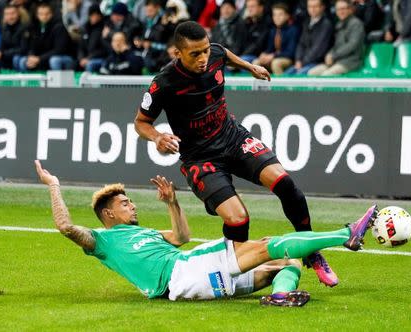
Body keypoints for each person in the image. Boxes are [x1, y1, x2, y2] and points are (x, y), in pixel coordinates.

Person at [133, 20, 340, 288]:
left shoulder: (215, 53)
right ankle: (235, 276)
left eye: (205, 50)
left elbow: (225, 54)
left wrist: (249, 67)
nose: (203, 58)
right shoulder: (163, 83)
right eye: (195, 54)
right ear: (178, 54)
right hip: (200, 157)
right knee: (238, 218)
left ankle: (312, 252)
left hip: (232, 137)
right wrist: (158, 137)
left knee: (285, 184)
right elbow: (141, 122)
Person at [34, 159, 377, 305]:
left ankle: (279, 297)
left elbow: (181, 237)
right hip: (183, 271)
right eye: (125, 203)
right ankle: (345, 234)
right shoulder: (103, 241)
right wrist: (54, 185)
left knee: (286, 266)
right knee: (268, 245)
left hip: (192, 282)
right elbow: (65, 226)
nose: (132, 206)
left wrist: (172, 204)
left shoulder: (147, 234)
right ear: (108, 213)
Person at [308, 0, 365, 76]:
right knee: (311, 73)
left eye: (343, 9)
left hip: (351, 62)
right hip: (337, 61)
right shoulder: (339, 24)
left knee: (326, 75)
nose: (341, 12)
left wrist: (333, 55)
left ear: (350, 9)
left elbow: (352, 45)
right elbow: (336, 45)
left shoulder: (356, 24)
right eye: (338, 9)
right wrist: (329, 54)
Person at [18, 3, 74, 71]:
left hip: (63, 57)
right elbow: (31, 46)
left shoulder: (59, 27)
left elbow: (59, 50)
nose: (44, 16)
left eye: (47, 14)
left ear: (52, 14)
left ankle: (57, 81)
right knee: (22, 61)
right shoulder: (34, 27)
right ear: (37, 15)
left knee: (54, 60)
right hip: (42, 57)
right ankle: (29, 81)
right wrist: (31, 56)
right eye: (41, 14)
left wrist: (39, 59)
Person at [285, 0, 333, 75]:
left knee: (299, 76)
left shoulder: (326, 24)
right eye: (310, 6)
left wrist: (302, 62)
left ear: (322, 7)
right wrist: (298, 60)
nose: (312, 9)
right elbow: (301, 44)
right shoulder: (307, 22)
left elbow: (318, 49)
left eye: (315, 6)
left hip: (318, 62)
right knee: (286, 75)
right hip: (303, 62)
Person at [253, 3, 299, 74]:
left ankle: (280, 85)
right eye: (274, 15)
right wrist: (265, 54)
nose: (277, 17)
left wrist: (273, 56)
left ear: (287, 16)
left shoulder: (293, 30)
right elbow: (270, 48)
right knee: (256, 62)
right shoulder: (273, 30)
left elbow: (291, 52)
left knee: (276, 63)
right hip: (275, 57)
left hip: (288, 59)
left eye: (280, 14)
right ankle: (261, 84)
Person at [78, 3, 108, 72]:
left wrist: (89, 58)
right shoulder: (86, 28)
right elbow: (80, 47)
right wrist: (81, 58)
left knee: (90, 64)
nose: (94, 17)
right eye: (92, 15)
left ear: (99, 15)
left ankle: (89, 83)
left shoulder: (104, 27)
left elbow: (103, 49)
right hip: (86, 58)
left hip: (100, 58)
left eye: (96, 15)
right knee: (75, 64)